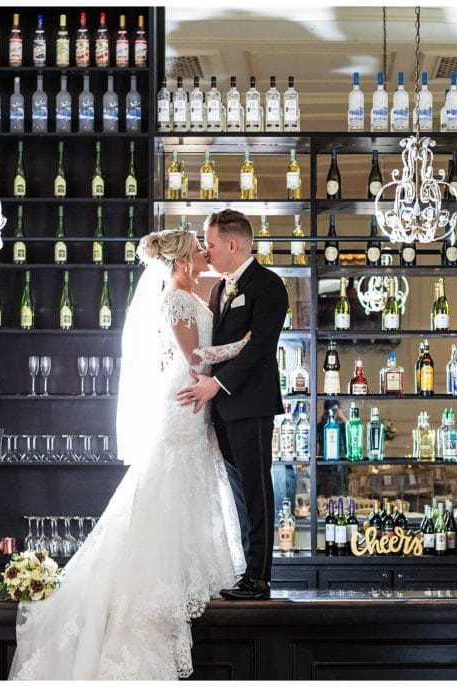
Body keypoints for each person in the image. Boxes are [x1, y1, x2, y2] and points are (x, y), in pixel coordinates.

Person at [8, 228, 248, 680]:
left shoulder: (196, 295)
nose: (204, 251)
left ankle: (197, 570)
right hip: (185, 399)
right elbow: (195, 358)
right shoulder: (174, 301)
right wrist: (242, 345)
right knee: (170, 483)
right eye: (198, 248)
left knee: (193, 481)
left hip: (197, 401)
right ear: (180, 260)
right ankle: (160, 583)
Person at [176, 209, 288, 600]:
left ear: (233, 244)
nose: (207, 251)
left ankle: (258, 578)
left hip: (251, 406)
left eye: (210, 243)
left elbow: (260, 348)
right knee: (238, 493)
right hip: (220, 411)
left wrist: (216, 385)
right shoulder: (218, 289)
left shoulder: (269, 285)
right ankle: (245, 570)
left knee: (257, 491)